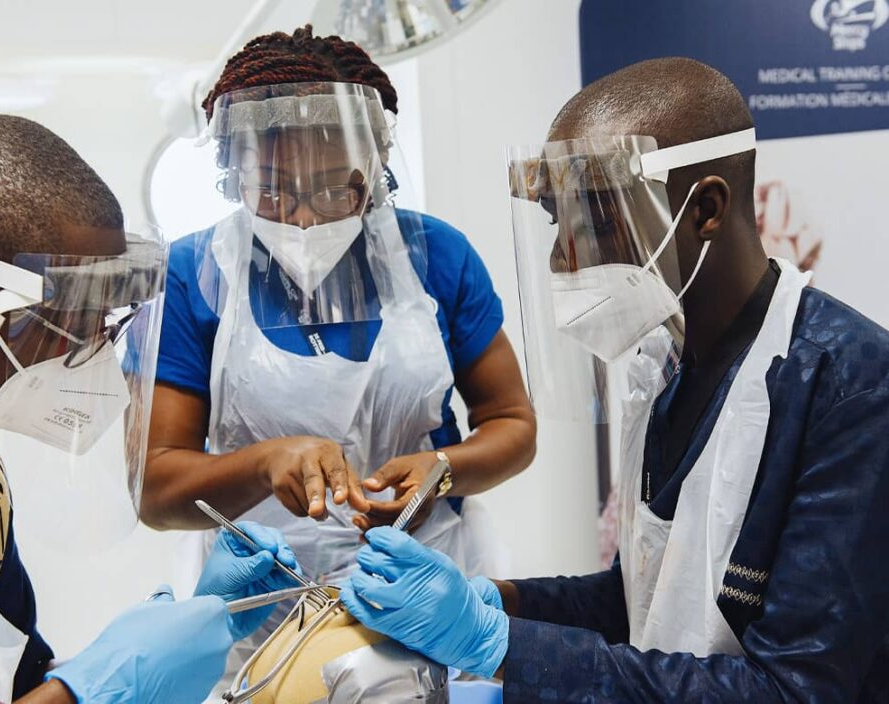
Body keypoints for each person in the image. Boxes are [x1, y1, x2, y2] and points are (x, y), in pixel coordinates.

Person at [337, 58, 889, 702]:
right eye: (555, 221)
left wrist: (492, 641)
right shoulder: (663, 365)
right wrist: (484, 600)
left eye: (593, 217)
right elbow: (641, 601)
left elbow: (794, 690)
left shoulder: (850, 391)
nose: (560, 257)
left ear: (705, 207)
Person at [0, 114, 300, 703]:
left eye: (108, 324)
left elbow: (16, 681)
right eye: (68, 324)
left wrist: (205, 617)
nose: (98, 361)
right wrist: (93, 690)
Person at [143, 23, 535, 670]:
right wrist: (264, 463)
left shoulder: (434, 258)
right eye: (270, 188)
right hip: (257, 617)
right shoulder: (193, 276)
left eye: (333, 189)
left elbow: (513, 423)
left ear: (376, 171)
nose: (302, 219)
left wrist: (444, 471)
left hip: (427, 593)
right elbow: (158, 487)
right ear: (229, 172)